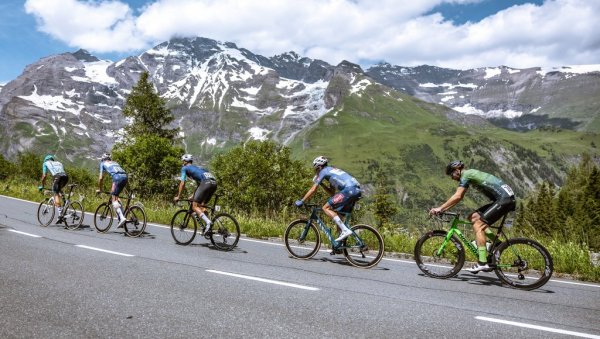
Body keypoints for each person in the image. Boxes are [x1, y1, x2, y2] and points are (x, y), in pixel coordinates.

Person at [429, 160, 516, 273]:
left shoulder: (466, 175)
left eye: (451, 174)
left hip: (504, 200)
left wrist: (440, 208)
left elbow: (458, 196)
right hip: (504, 199)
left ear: (457, 170)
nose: (452, 177)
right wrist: (444, 208)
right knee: (473, 217)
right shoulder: (470, 173)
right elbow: (459, 197)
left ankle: (482, 263)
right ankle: (497, 244)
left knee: (478, 226)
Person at [295, 156, 362, 243]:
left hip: (349, 190)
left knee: (325, 208)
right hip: (356, 190)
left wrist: (302, 201)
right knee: (339, 216)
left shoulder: (323, 171)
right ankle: (340, 245)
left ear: (319, 167)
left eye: (316, 170)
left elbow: (313, 189)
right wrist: (322, 184)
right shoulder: (331, 171)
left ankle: (345, 231)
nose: (316, 172)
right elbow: (332, 193)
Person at [174, 154, 217, 235]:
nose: (182, 163)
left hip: (206, 183)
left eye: (183, 161)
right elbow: (199, 186)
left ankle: (208, 222)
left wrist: (178, 196)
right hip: (214, 183)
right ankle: (208, 228)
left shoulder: (185, 168)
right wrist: (193, 195)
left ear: (185, 162)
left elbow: (182, 183)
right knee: (201, 206)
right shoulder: (199, 168)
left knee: (194, 206)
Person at [96, 153, 128, 228]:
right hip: (125, 177)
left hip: (117, 178)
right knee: (116, 197)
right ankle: (121, 216)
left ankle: (122, 218)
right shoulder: (115, 162)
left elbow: (101, 178)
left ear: (103, 159)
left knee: (113, 199)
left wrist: (100, 189)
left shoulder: (103, 163)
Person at [39, 154, 69, 222]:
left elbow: (44, 176)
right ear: (52, 159)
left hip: (57, 177)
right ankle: (65, 204)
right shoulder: (59, 163)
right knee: (59, 190)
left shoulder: (45, 163)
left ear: (46, 160)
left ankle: (60, 214)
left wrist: (42, 186)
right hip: (65, 177)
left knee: (56, 193)